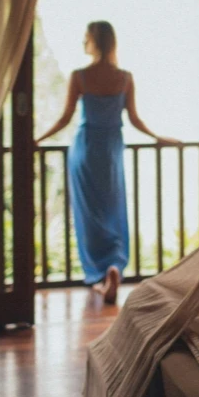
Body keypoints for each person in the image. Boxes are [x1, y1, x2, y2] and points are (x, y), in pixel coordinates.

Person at [36, 21, 180, 303]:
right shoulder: (124, 78)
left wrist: (37, 140)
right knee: (113, 211)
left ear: (95, 42)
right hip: (112, 150)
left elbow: (65, 118)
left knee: (90, 216)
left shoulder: (80, 76)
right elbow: (135, 120)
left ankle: (101, 275)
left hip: (86, 149)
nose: (83, 43)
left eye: (86, 38)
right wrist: (158, 138)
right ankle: (114, 267)